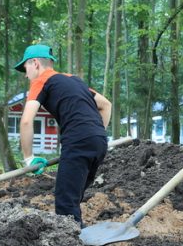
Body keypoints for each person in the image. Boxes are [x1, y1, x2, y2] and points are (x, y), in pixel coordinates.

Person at [14, 43, 112, 226]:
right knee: (73, 197)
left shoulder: (41, 80)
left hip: (77, 140)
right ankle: (79, 237)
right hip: (99, 141)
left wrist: (29, 158)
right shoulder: (73, 80)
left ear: (35, 63)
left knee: (65, 203)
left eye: (25, 68)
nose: (26, 75)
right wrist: (94, 134)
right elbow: (106, 105)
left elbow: (27, 120)